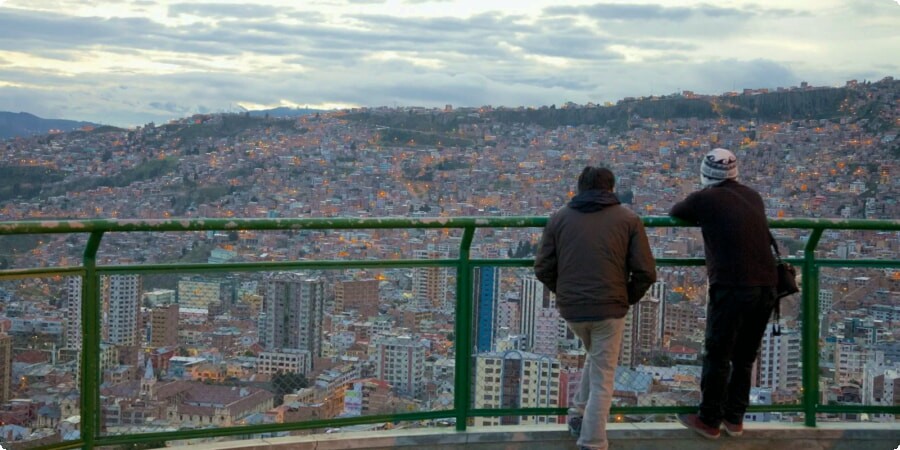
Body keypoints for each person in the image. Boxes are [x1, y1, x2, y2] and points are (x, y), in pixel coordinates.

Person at [534, 166, 656, 450]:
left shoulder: (559, 218)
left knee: (597, 357)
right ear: (611, 189)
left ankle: (577, 412)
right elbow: (646, 272)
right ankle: (592, 441)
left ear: (578, 188)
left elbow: (542, 268)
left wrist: (565, 292)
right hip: (610, 309)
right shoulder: (628, 219)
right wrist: (626, 297)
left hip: (573, 311)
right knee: (604, 376)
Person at [669, 148, 777, 439]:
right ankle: (734, 419)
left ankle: (708, 420)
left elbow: (675, 212)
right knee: (744, 356)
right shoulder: (753, 195)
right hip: (768, 285)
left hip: (732, 286)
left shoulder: (705, 198)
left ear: (706, 173)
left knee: (718, 354)